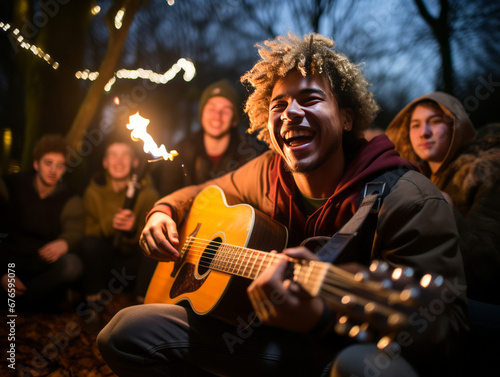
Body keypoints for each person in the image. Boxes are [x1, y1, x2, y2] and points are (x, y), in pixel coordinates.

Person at [97, 34, 468, 377]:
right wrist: (162, 210)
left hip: (338, 352)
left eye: (309, 99)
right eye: (279, 105)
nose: (290, 113)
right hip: (257, 338)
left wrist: (320, 318)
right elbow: (199, 192)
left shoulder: (409, 199)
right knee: (125, 330)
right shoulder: (266, 172)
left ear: (346, 117)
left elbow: (447, 335)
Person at [385, 92, 500, 305]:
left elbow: (486, 265)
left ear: (456, 126)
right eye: (415, 125)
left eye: (435, 122)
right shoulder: (411, 178)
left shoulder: (487, 171)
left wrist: (446, 211)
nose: (424, 133)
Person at [79, 136, 159, 322]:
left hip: (133, 265)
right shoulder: (92, 192)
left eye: (125, 156)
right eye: (113, 156)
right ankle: (93, 307)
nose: (119, 161)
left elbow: (153, 235)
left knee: (154, 247)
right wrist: (110, 224)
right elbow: (87, 233)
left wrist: (133, 230)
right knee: (89, 244)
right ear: (105, 163)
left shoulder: (148, 194)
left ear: (135, 163)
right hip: (105, 266)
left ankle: (142, 310)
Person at [0, 134, 84, 312]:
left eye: (59, 165)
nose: (53, 170)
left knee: (72, 264)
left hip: (41, 261)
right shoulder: (13, 186)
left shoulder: (69, 197)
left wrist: (65, 242)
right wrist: (2, 273)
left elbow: (76, 229)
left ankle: (22, 303)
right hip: (10, 258)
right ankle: (36, 302)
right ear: (36, 164)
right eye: (48, 163)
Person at [152, 79, 267, 196]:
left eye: (226, 110)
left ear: (234, 120)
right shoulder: (180, 153)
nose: (217, 116)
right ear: (201, 114)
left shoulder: (249, 156)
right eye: (211, 108)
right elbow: (168, 196)